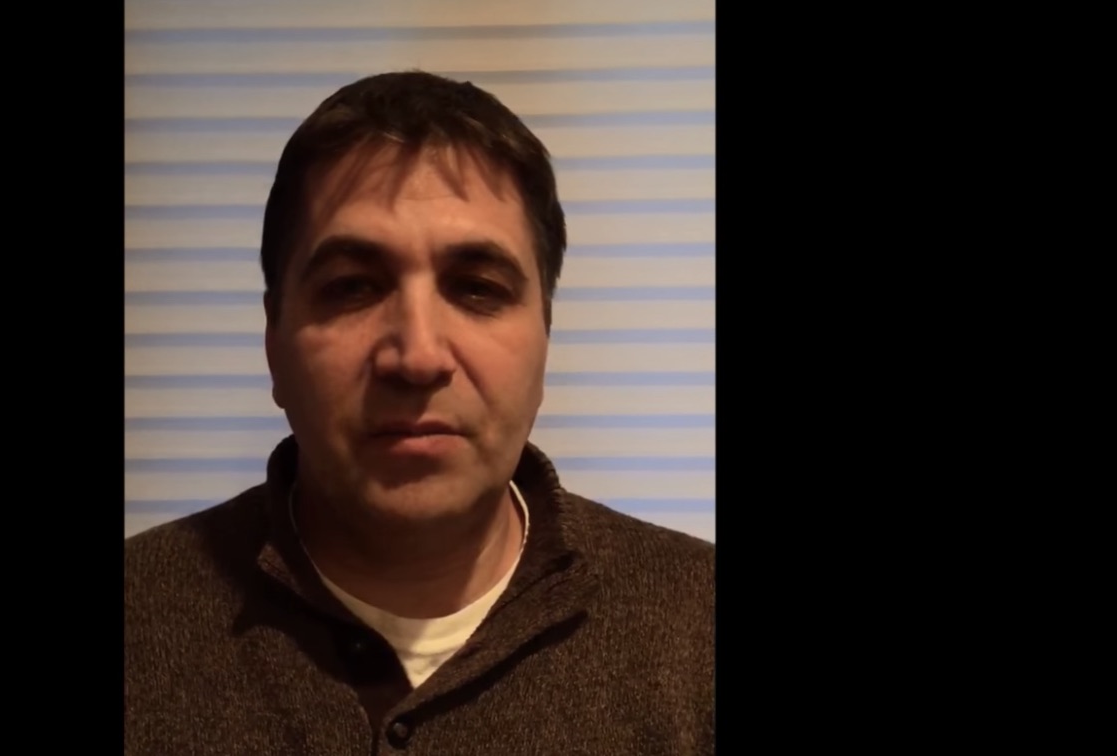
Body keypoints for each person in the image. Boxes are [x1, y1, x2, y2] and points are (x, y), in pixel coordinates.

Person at [124, 70, 714, 755]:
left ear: (544, 341)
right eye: (352, 288)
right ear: (273, 343)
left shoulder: (699, 630)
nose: (419, 355)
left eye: (476, 288)